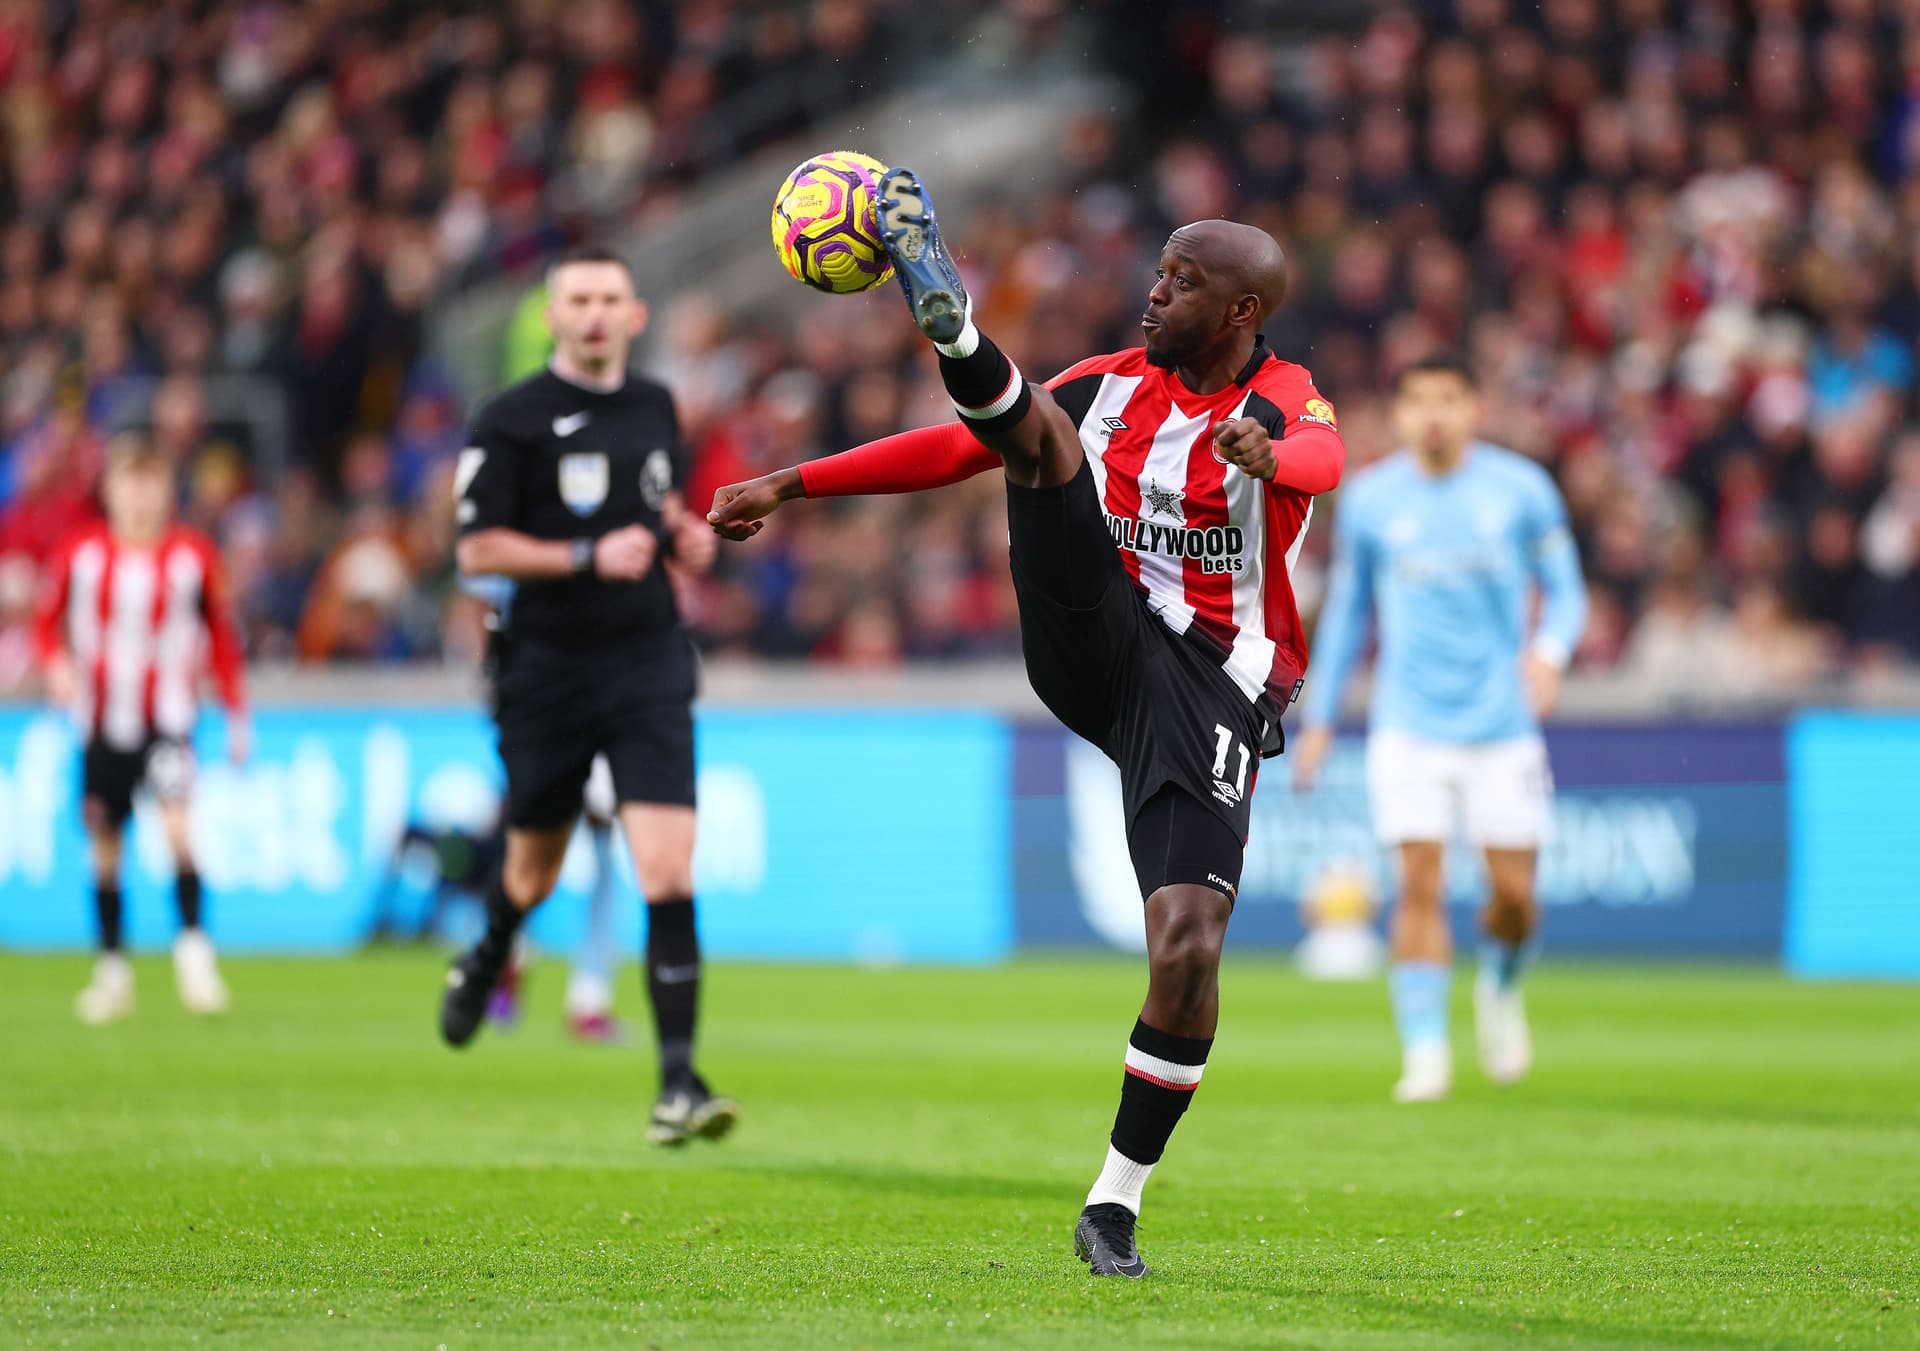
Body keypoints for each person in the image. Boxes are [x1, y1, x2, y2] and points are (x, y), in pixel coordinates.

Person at [708, 168, 1344, 1277]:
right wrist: (792, 483)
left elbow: (1324, 458)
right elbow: (961, 448)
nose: (1154, 294)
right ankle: (946, 315)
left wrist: (1268, 456)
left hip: (1211, 686)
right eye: (1157, 272)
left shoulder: (1288, 392)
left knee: (1188, 951)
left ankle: (1113, 1203)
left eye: (1183, 283)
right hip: (1093, 635)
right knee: (1038, 438)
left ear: (1241, 312)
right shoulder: (1108, 383)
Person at [442, 245, 735, 1147]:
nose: (597, 313)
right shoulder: (509, 420)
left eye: (612, 297)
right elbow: (475, 551)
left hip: (646, 659)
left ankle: (678, 1082)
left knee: (668, 867)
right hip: (547, 668)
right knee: (531, 868)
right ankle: (490, 950)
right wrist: (581, 556)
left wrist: (688, 537)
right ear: (554, 317)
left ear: (635, 315)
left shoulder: (655, 407)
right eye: (580, 299)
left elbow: (658, 509)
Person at [1290, 353, 1589, 1104]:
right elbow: (1350, 614)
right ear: (1396, 415)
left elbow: (1568, 591)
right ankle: (1425, 1051)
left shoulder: (1521, 490)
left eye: (1448, 399)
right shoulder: (1371, 500)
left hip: (1502, 724)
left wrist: (1548, 655)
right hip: (1408, 724)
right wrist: (1321, 716)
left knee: (1514, 897)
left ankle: (1500, 985)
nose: (1433, 414)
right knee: (1416, 883)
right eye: (1418, 400)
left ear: (1474, 410)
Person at [33, 434, 249, 1024]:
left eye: (151, 483)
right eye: (129, 483)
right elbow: (44, 624)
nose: (140, 496)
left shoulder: (192, 556)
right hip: (102, 724)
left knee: (179, 830)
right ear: (110, 489)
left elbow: (222, 640)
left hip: (168, 723)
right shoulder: (80, 554)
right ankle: (111, 971)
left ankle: (195, 958)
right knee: (106, 851)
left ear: (166, 490)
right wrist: (54, 665)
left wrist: (236, 713)